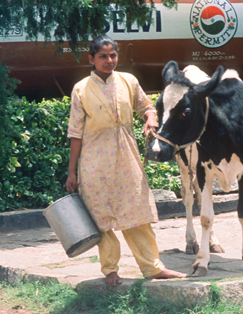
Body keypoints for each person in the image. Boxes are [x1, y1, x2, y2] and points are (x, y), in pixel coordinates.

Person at [65, 35, 185, 286]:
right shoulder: (81, 89)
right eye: (102, 56)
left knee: (137, 213)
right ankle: (110, 270)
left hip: (126, 158)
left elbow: (147, 106)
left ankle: (152, 268)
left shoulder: (128, 81)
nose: (109, 61)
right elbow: (75, 134)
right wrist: (72, 172)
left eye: (113, 55)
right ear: (91, 59)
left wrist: (150, 118)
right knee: (101, 218)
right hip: (94, 162)